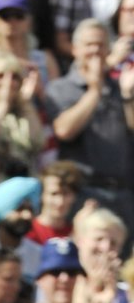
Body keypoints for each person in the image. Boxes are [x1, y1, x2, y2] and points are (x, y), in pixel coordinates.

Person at [46, 19, 134, 232]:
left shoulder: (119, 87)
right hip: (84, 193)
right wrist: (94, 90)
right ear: (75, 49)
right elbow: (64, 130)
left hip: (124, 193)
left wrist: (128, 97)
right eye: (89, 44)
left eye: (101, 44)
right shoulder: (60, 88)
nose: (95, 49)